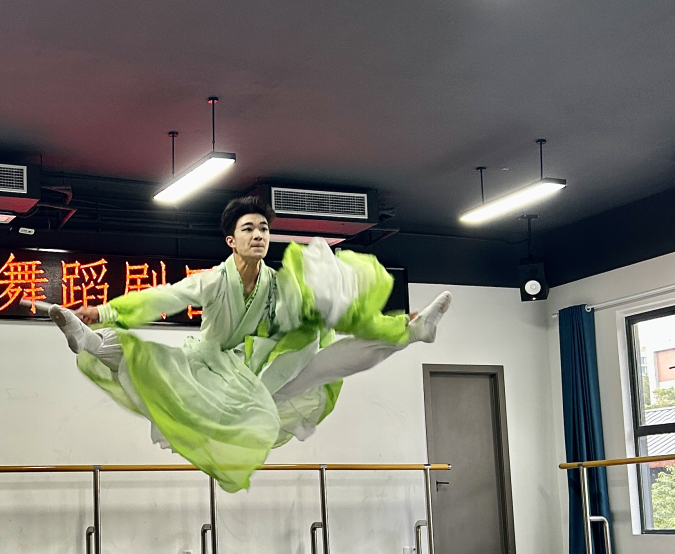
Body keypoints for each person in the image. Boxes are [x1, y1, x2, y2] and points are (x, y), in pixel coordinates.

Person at [31, 194, 450, 492]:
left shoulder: (278, 284)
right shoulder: (214, 281)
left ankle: (411, 333)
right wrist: (104, 311)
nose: (258, 235)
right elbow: (163, 298)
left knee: (323, 357)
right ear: (231, 240)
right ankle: (88, 337)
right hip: (207, 364)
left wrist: (394, 324)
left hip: (253, 370)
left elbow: (339, 313)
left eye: (264, 228)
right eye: (248, 228)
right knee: (150, 359)